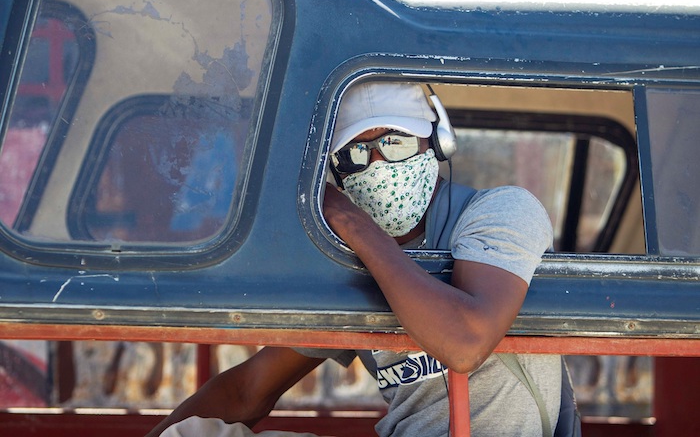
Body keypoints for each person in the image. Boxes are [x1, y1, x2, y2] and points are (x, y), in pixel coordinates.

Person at [146, 81, 560, 437]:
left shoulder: (504, 211)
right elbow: (248, 390)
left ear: (436, 142)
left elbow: (465, 343)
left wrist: (352, 222)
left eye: (394, 143)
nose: (378, 166)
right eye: (355, 155)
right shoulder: (349, 257)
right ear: (336, 171)